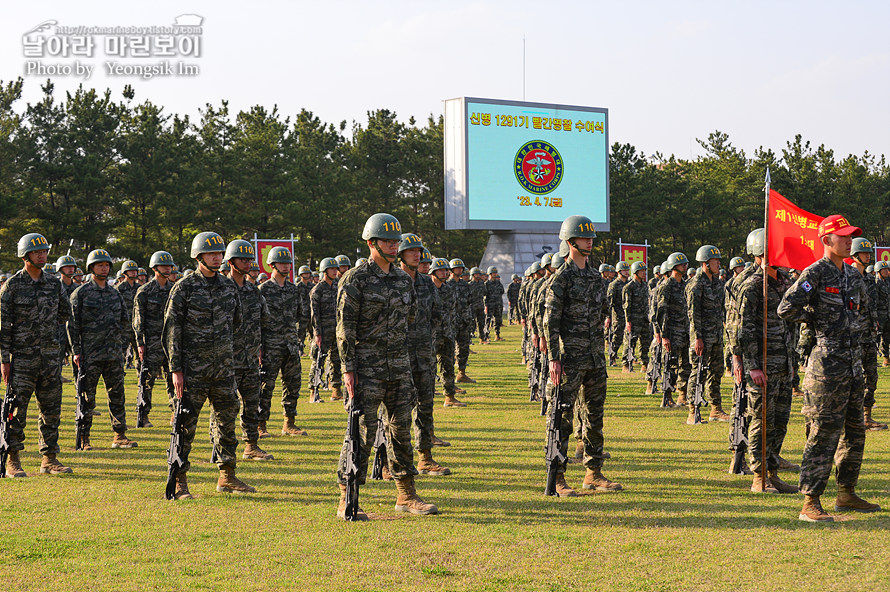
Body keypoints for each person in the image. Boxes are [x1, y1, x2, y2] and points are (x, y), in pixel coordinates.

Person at [335, 213, 437, 519]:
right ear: (371, 243)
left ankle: (406, 495)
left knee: (400, 431)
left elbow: (409, 319)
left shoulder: (403, 280)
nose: (394, 246)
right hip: (366, 370)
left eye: (396, 241)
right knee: (362, 433)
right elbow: (344, 328)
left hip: (398, 367)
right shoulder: (356, 279)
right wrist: (348, 369)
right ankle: (346, 495)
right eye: (387, 241)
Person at [778, 215, 879, 522]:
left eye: (851, 236)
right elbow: (786, 308)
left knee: (854, 432)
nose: (849, 241)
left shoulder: (851, 274)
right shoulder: (816, 272)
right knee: (822, 434)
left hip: (852, 366)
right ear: (826, 241)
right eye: (843, 236)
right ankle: (810, 501)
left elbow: (861, 310)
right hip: (825, 368)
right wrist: (815, 316)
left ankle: (846, 493)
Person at [163, 231, 255, 499]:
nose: (217, 257)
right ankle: (180, 480)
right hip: (193, 372)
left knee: (227, 424)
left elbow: (236, 324)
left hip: (224, 370)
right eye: (211, 253)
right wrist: (176, 370)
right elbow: (172, 331)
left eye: (219, 253)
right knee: (185, 425)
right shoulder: (184, 288)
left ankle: (227, 476)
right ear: (198, 256)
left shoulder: (229, 288)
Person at [544, 215, 621, 496]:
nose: (589, 241)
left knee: (594, 416)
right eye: (584, 237)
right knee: (562, 418)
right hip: (568, 359)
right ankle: (559, 476)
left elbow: (601, 314)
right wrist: (554, 358)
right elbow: (549, 321)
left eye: (591, 237)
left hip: (594, 358)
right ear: (570, 241)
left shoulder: (594, 278)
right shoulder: (561, 279)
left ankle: (593, 472)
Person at [1, 233, 73, 477]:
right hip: (22, 359)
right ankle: (13, 459)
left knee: (51, 409)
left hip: (50, 359)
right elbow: (3, 325)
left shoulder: (54, 283)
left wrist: (49, 335)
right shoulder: (12, 286)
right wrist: (4, 360)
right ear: (25, 256)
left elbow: (65, 313)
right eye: (37, 252)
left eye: (44, 251)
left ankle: (49, 458)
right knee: (16, 410)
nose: (42, 255)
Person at [737, 256, 798, 494]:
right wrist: (752, 365)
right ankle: (759, 477)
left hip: (783, 363)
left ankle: (773, 473)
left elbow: (791, 324)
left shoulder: (784, 283)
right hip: (762, 364)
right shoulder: (753, 285)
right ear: (759, 254)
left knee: (779, 422)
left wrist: (791, 361)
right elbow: (745, 328)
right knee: (761, 421)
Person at [69, 249, 137, 450]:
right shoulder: (80, 294)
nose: (104, 268)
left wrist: (121, 344)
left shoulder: (114, 293)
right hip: (90, 354)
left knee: (117, 395)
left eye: (107, 265)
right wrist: (76, 351)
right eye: (100, 265)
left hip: (113, 354)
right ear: (91, 268)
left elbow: (126, 321)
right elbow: (72, 325)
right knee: (87, 397)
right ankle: (84, 437)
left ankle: (119, 435)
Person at [399, 234, 450, 475]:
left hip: (424, 356)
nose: (418, 255)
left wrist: (428, 340)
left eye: (419, 250)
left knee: (425, 407)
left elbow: (437, 315)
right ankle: (391, 460)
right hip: (397, 357)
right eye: (412, 251)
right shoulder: (394, 281)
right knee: (396, 412)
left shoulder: (426, 283)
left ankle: (425, 457)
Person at [225, 239, 273, 461]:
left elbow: (263, 320)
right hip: (227, 359)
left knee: (252, 403)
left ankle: (251, 445)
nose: (247, 263)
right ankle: (220, 449)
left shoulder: (253, 291)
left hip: (251, 358)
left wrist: (260, 348)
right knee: (225, 407)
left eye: (249, 259)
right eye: (242, 259)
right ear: (231, 261)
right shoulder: (222, 289)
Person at [258, 246, 309, 437]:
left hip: (290, 344)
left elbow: (301, 315)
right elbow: (257, 321)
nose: (286, 266)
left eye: (288, 263)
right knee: (266, 386)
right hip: (269, 345)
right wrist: (259, 348)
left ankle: (289, 423)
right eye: (282, 263)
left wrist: (299, 340)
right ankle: (261, 425)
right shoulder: (263, 289)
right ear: (272, 265)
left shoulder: (293, 290)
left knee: (293, 385)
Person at [132, 251, 177, 429]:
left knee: (173, 378)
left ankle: (175, 412)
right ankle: (143, 416)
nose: (167, 268)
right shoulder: (144, 291)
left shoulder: (174, 289)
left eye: (169, 266)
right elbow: (138, 320)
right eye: (163, 266)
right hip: (151, 342)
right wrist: (140, 343)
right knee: (147, 381)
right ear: (154, 268)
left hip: (170, 343)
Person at [686, 245, 730, 422]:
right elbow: (693, 313)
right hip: (702, 337)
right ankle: (692, 409)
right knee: (698, 373)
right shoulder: (696, 285)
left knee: (716, 372)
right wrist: (697, 337)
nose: (718, 263)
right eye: (715, 261)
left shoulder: (717, 283)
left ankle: (715, 409)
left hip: (717, 336)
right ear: (705, 263)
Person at [848, 238, 888, 431]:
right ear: (854, 256)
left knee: (871, 375)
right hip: (852, 337)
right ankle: (852, 418)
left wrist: (875, 323)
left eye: (869, 253)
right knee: (852, 379)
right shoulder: (846, 276)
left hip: (869, 335)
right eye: (864, 253)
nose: (868, 256)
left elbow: (872, 304)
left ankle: (866, 417)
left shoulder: (869, 279)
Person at [656, 252, 694, 417]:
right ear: (673, 267)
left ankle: (682, 395)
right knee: (670, 365)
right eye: (681, 264)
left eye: (685, 264)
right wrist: (663, 335)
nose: (685, 267)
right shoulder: (667, 286)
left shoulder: (685, 284)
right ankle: (667, 396)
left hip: (684, 331)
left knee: (685, 365)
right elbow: (661, 313)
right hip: (671, 331)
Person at [310, 257, 343, 402]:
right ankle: (314, 391)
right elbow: (314, 313)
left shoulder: (338, 286)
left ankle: (336, 390)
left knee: (336, 360)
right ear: (325, 271)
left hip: (337, 330)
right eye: (332, 269)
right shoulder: (318, 289)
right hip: (323, 331)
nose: (335, 271)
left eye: (336, 269)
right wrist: (317, 333)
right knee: (318, 360)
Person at [449, 258, 476, 385]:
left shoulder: (465, 285)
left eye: (461, 268)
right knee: (448, 351)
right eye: (457, 268)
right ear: (451, 270)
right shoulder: (447, 284)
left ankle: (461, 373)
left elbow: (469, 301)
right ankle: (448, 378)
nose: (459, 270)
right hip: (451, 322)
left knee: (463, 348)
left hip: (464, 321)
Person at [622, 261, 650, 374]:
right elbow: (626, 305)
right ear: (635, 272)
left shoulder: (645, 285)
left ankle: (644, 363)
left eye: (644, 271)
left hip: (644, 318)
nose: (644, 273)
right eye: (641, 271)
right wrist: (628, 321)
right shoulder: (629, 287)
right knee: (630, 342)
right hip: (633, 318)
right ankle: (626, 364)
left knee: (645, 342)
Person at [116, 260, 140, 370]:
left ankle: (141, 377)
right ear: (125, 273)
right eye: (131, 271)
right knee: (120, 354)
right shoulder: (118, 289)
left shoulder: (139, 289)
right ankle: (119, 374)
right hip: (123, 327)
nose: (134, 273)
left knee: (140, 354)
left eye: (135, 271)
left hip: (136, 327)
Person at [606, 261, 630, 368]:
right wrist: (608, 317)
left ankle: (629, 358)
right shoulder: (614, 285)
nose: (627, 272)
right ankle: (612, 357)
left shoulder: (629, 284)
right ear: (619, 272)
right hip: (617, 315)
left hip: (628, 315)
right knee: (617, 337)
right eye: (624, 270)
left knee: (629, 338)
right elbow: (609, 303)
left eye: (627, 270)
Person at [484, 266, 505, 340]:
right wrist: (486, 305)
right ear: (490, 274)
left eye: (495, 273)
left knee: (498, 320)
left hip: (498, 304)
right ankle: (486, 336)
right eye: (493, 273)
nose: (495, 274)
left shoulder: (498, 282)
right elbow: (485, 295)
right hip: (490, 304)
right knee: (488, 320)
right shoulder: (486, 284)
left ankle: (497, 335)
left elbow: (502, 291)